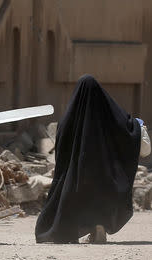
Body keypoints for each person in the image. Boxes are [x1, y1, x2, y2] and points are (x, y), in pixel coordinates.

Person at [35, 74, 149, 244]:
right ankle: (99, 226)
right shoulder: (110, 116)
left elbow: (61, 146)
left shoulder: (68, 119)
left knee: (75, 198)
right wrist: (136, 126)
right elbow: (130, 133)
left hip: (78, 174)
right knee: (101, 196)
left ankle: (71, 230)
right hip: (105, 174)